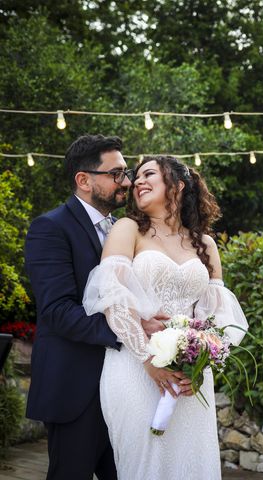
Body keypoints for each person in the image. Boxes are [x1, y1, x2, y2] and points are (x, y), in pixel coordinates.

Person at [82, 155, 248, 479]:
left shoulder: (206, 244)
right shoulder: (127, 229)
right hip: (134, 364)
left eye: (148, 175)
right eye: (136, 177)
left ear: (178, 184)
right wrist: (148, 359)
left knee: (191, 461)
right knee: (143, 462)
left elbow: (215, 314)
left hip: (188, 376)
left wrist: (199, 357)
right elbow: (113, 298)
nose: (137, 182)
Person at [24, 134, 130, 480]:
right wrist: (129, 334)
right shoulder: (50, 228)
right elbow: (58, 310)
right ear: (83, 180)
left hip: (121, 387)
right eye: (116, 174)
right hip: (74, 388)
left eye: (126, 173)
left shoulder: (123, 231)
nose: (126, 182)